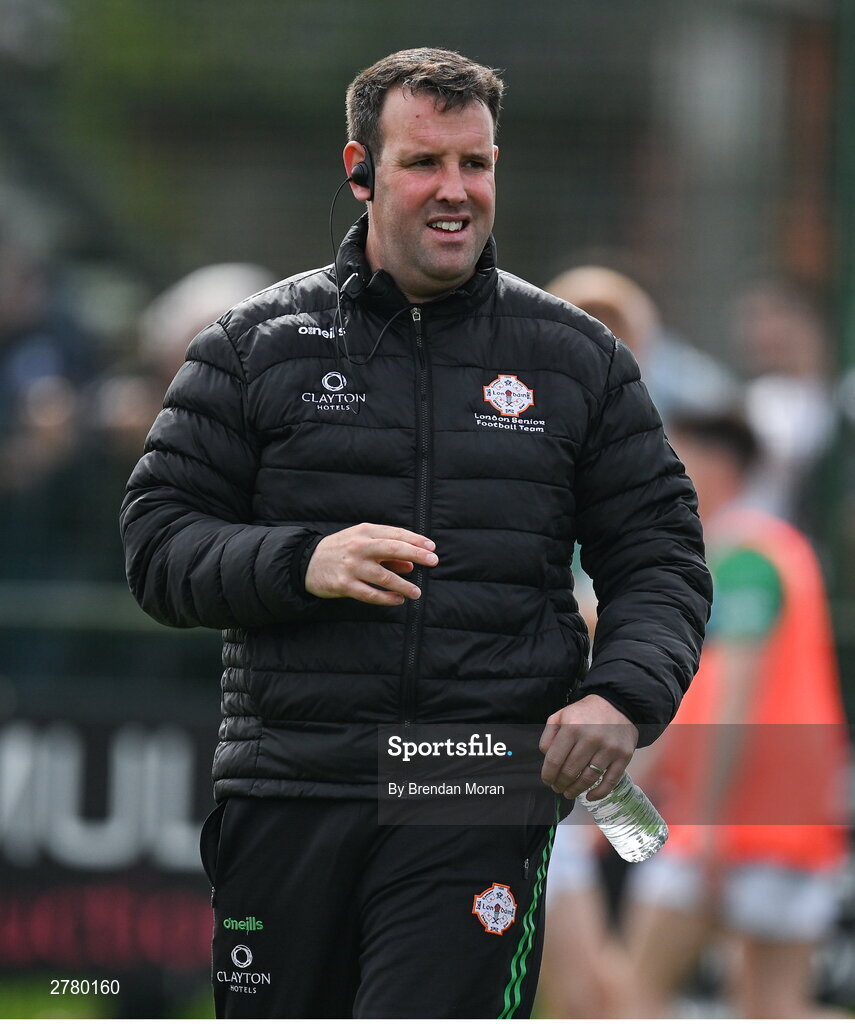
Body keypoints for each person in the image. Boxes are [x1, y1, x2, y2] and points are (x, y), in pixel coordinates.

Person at [120, 48, 711, 1018]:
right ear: (361, 170)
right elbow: (157, 545)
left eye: (476, 165)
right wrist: (302, 559)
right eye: (425, 162)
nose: (456, 191)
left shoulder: (576, 359)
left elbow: (660, 557)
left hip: (475, 780)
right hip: (291, 783)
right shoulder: (251, 345)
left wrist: (621, 692)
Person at [624, 411, 849, 1018]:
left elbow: (735, 698)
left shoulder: (742, 554)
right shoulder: (770, 548)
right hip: (790, 818)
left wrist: (708, 817)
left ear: (715, 468)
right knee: (772, 1007)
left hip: (733, 819)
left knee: (635, 990)